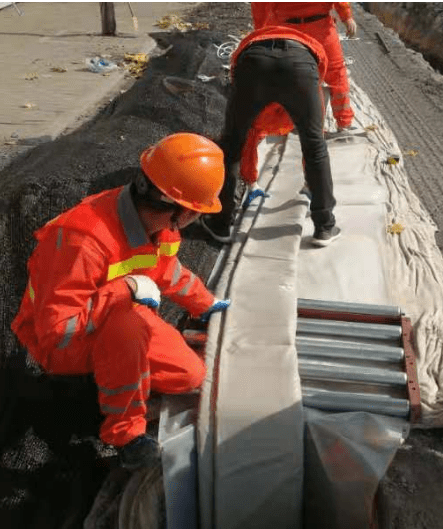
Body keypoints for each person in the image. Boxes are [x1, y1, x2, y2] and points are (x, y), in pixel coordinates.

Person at [11, 133, 231, 469]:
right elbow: (57, 330)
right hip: (58, 341)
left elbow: (169, 273)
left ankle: (116, 382)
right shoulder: (82, 238)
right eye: (196, 214)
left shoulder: (163, 226)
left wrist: (205, 303)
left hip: (117, 317)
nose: (193, 222)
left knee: (189, 376)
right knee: (126, 330)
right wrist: (125, 290)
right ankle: (125, 435)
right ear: (179, 209)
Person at [201, 26, 341, 248]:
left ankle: (220, 223)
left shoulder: (252, 43)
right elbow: (321, 74)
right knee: (315, 145)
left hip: (253, 62)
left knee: (232, 143)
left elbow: (236, 73)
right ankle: (324, 226)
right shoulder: (312, 51)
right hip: (301, 67)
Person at [251, 3, 357, 133]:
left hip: (289, 29)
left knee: (291, 75)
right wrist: (346, 16)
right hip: (318, 28)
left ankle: (295, 122)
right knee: (335, 74)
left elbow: (260, 6)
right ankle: (343, 123)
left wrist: (261, 31)